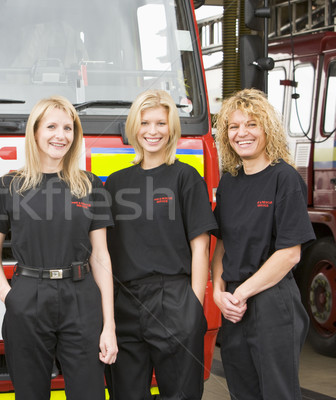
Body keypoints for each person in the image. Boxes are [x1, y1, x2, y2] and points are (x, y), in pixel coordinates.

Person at [0, 95, 117, 400]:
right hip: (27, 296)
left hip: (82, 298)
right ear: (35, 132)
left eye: (68, 128)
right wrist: (9, 296)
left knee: (90, 393)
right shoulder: (8, 186)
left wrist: (108, 325)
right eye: (52, 126)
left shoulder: (90, 185)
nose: (61, 135)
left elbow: (100, 256)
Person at [105, 89, 216, 400]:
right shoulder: (114, 183)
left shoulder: (186, 177)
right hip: (125, 302)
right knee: (125, 394)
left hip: (174, 299)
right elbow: (105, 252)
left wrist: (194, 308)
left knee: (180, 394)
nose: (152, 131)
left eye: (160, 123)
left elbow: (200, 247)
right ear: (133, 127)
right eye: (144, 123)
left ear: (172, 129)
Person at [211, 88, 315, 400]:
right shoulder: (229, 180)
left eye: (251, 124)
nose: (241, 133)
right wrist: (218, 292)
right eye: (233, 126)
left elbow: (290, 254)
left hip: (272, 301)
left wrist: (239, 292)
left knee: (278, 393)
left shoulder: (285, 178)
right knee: (241, 391)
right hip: (234, 305)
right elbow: (223, 244)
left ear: (267, 128)